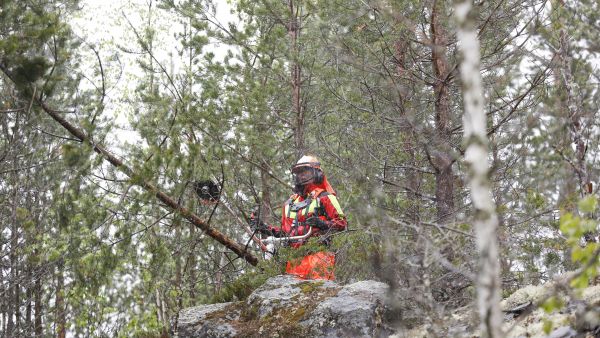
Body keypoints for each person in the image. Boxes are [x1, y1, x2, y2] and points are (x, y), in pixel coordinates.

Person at [251, 155, 347, 280]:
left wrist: (323, 224)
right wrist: (265, 229)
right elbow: (286, 233)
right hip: (294, 260)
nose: (301, 176)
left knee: (319, 294)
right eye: (299, 173)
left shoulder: (325, 197)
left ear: (316, 173)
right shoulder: (289, 203)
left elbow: (341, 222)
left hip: (319, 256)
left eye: (304, 172)